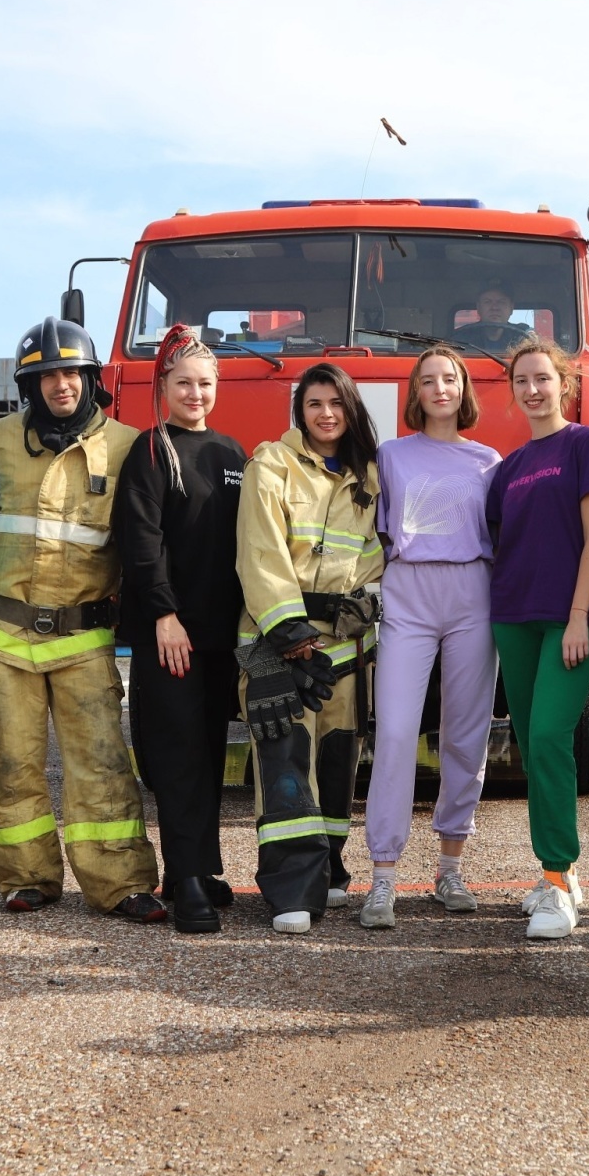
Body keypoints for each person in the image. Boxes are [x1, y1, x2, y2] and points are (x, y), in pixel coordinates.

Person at [0, 318, 162, 922]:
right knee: (10, 765)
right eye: (47, 375)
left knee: (103, 766)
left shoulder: (129, 446)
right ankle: (26, 878)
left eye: (72, 373)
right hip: (1, 636)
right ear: (30, 385)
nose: (61, 385)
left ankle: (121, 884)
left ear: (91, 378)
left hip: (84, 637)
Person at [236, 363, 385, 934]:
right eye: (314, 403)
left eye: (336, 403)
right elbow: (260, 552)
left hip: (343, 650)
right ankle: (289, 888)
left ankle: (328, 871)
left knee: (336, 762)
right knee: (286, 764)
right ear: (299, 410)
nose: (326, 413)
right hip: (278, 646)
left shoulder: (366, 476)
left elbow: (377, 551)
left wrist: (365, 599)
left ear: (351, 410)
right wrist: (290, 635)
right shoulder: (270, 463)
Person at [360, 347, 502, 928]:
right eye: (428, 380)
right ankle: (384, 876)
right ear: (414, 392)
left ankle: (449, 867)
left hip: (473, 591)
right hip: (408, 591)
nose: (439, 388)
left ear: (463, 388)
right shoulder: (390, 455)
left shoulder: (488, 461)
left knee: (465, 735)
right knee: (394, 731)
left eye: (450, 378)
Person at [486, 336, 589, 941]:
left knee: (548, 738)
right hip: (511, 617)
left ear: (564, 384)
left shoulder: (587, 445)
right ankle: (551, 872)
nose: (533, 390)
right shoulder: (507, 469)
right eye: (522, 381)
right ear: (512, 391)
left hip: (569, 619)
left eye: (543, 378)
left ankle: (562, 883)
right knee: (532, 750)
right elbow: (499, 547)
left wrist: (578, 615)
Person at [116, 325, 247, 934]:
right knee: (176, 756)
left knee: (210, 751)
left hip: (220, 636)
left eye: (205, 384)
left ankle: (202, 866)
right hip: (171, 634)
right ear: (163, 386)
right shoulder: (149, 451)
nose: (195, 394)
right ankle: (185, 878)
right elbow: (142, 544)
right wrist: (164, 614)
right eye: (184, 383)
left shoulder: (231, 455)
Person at [452, 283, 532, 349]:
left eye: (501, 302)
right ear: (478, 308)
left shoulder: (522, 337)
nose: (494, 307)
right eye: (488, 302)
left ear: (511, 308)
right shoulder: (462, 339)